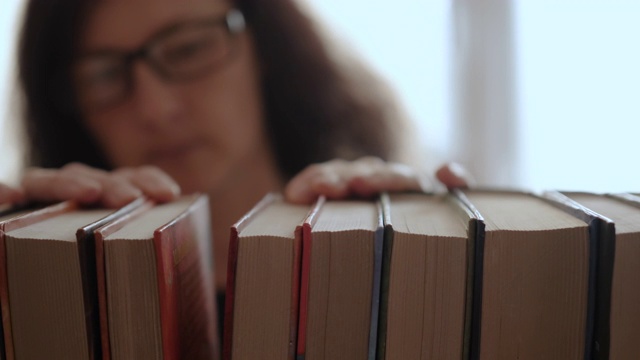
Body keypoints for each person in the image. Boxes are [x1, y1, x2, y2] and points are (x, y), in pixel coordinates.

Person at [0, 0, 469, 294]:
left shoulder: (374, 242)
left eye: (187, 49)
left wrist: (431, 271)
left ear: (262, 46)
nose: (156, 108)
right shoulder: (54, 293)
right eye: (103, 75)